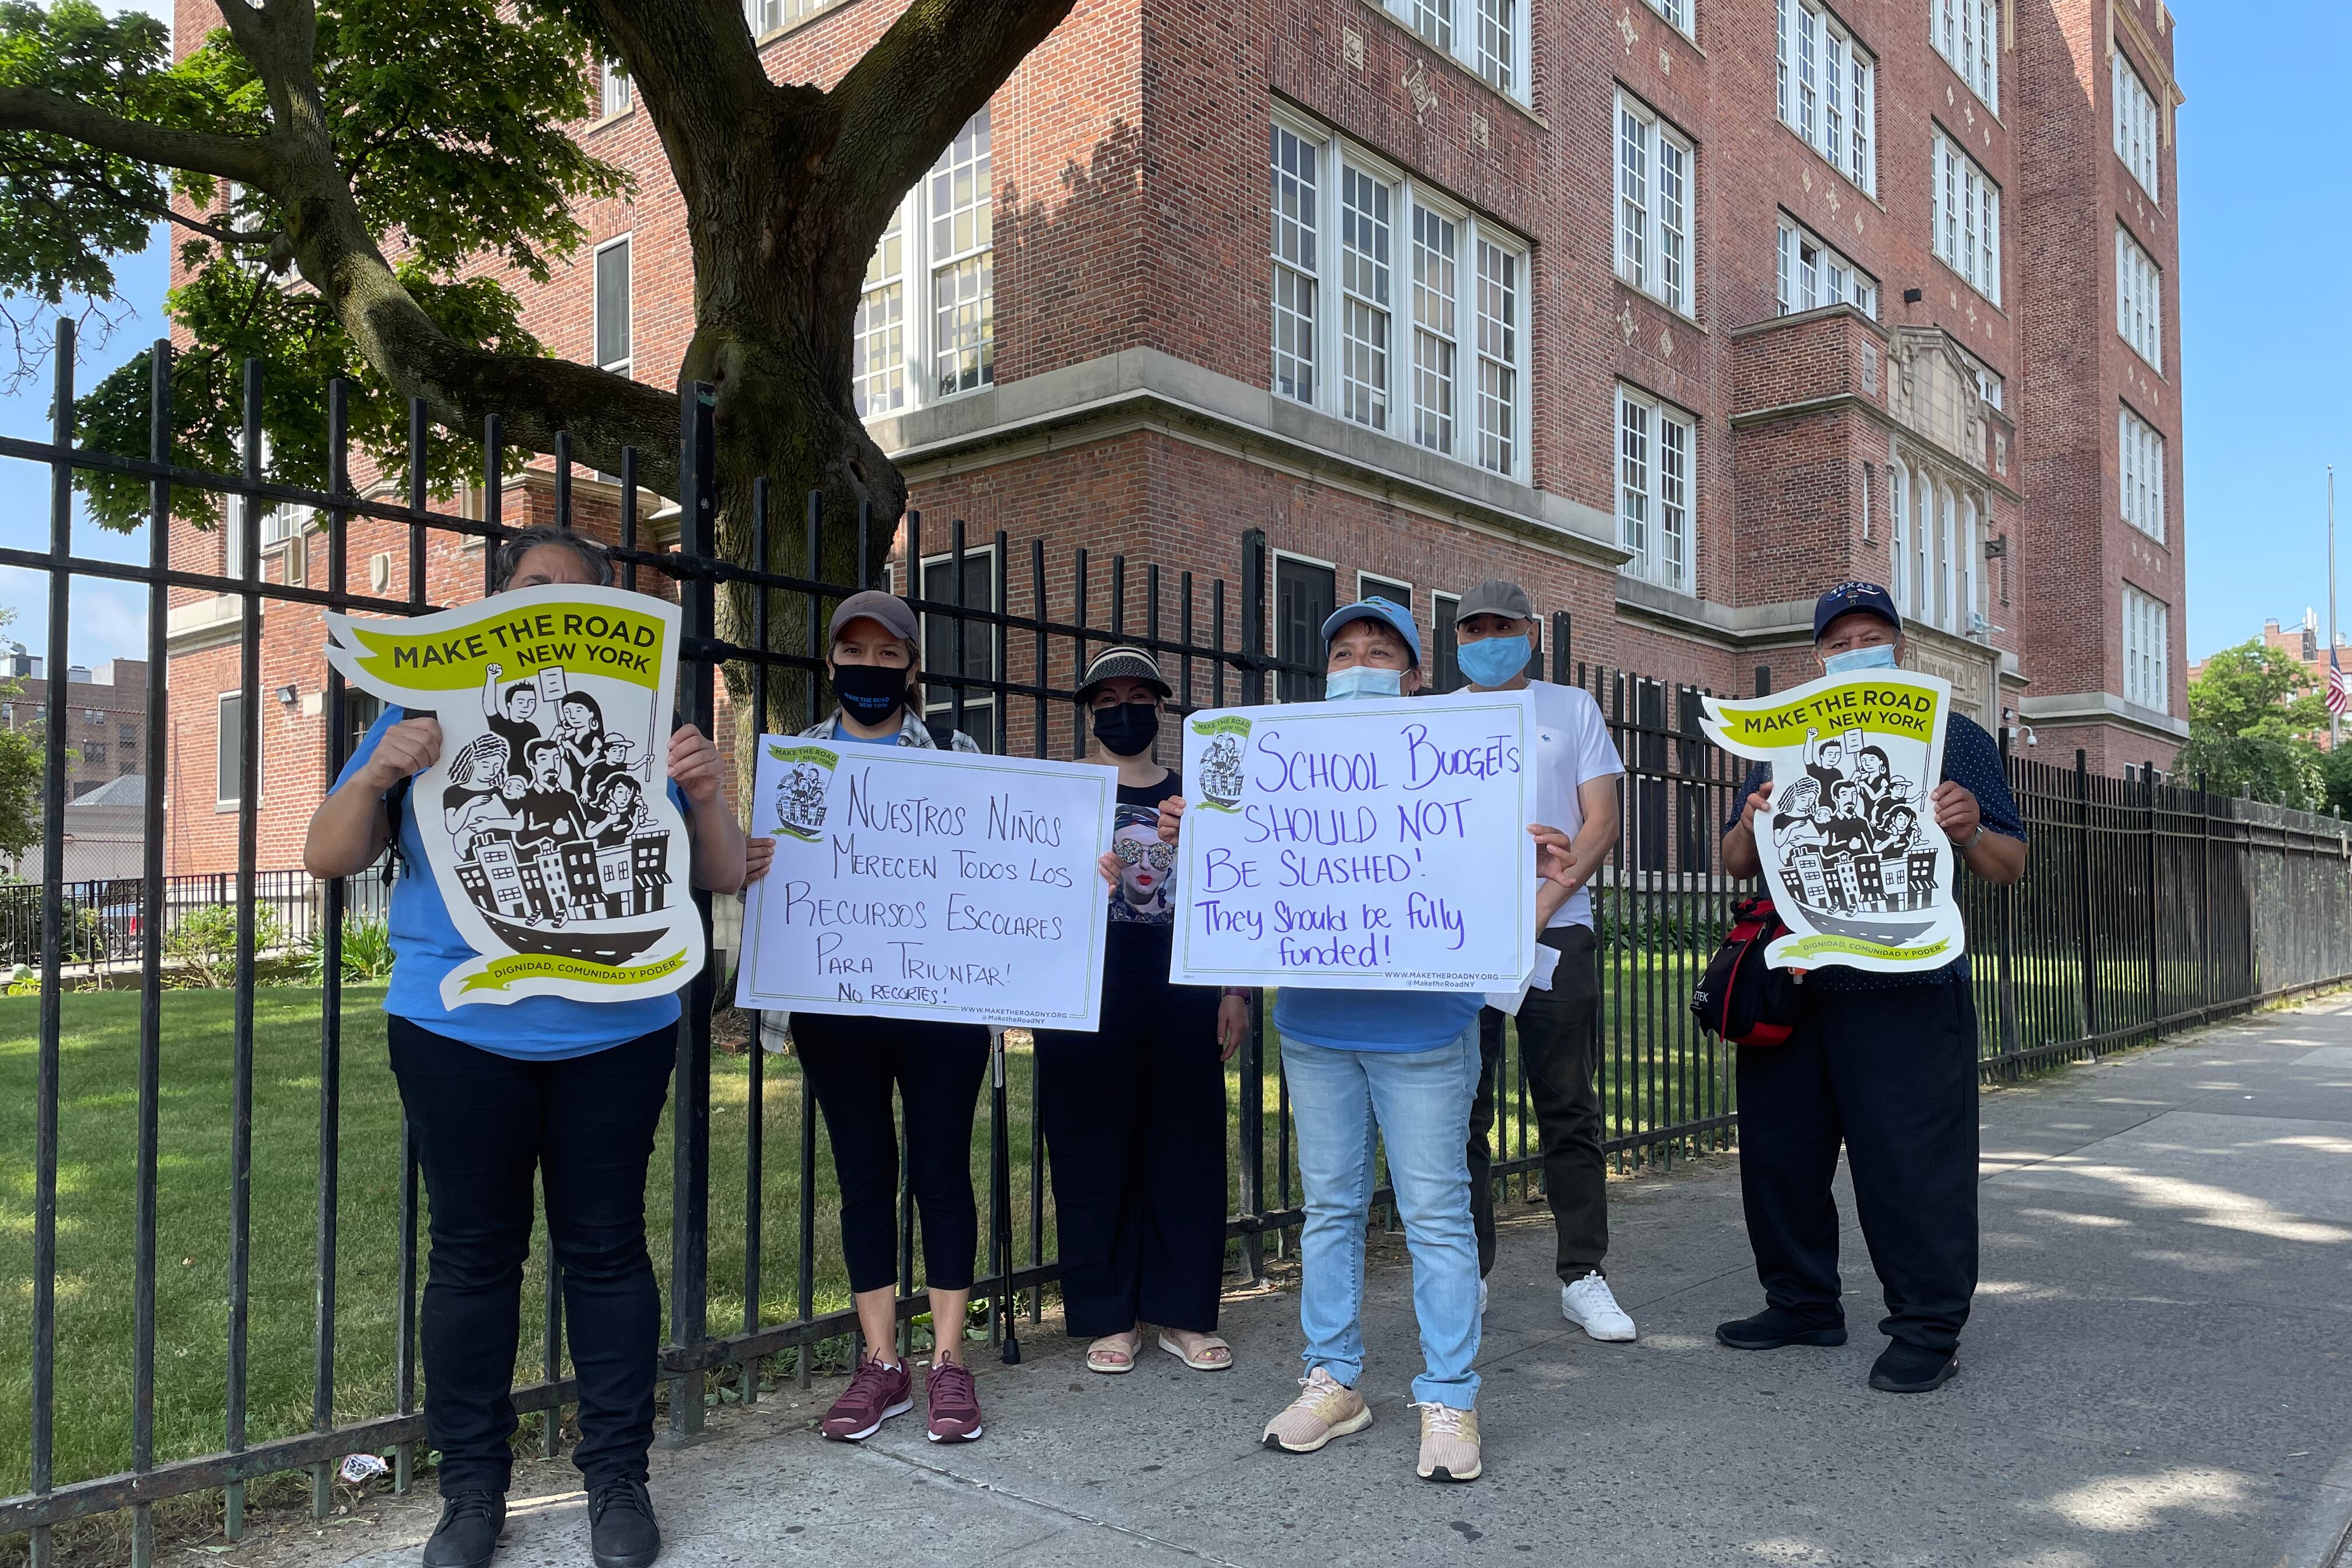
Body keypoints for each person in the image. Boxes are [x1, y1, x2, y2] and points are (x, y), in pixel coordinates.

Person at [301, 524, 754, 1568]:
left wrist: (706, 792)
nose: (546, 601)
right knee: (472, 1256)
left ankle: (618, 1480)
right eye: (529, 585)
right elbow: (327, 853)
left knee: (604, 1248)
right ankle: (471, 1491)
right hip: (456, 1026)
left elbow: (723, 872)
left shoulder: (654, 721)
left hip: (618, 1027)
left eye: (572, 591)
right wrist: (380, 774)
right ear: (498, 597)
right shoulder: (418, 713)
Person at [1156, 597, 1583, 1485]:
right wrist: (1195, 835)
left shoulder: (1460, 764)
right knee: (1332, 1211)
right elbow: (1245, 872)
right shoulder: (1287, 760)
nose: (1359, 661)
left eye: (1380, 650)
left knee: (1435, 1216)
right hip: (1314, 1026)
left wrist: (1529, 862)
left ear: (1415, 674)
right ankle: (1333, 1378)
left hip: (1426, 1030)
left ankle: (1452, 1393)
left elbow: (1477, 873)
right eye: (1344, 650)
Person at [1716, 580, 2027, 1395]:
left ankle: (1928, 1327)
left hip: (1910, 986)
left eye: (1871, 636)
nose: (1856, 650)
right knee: (1781, 1159)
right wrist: (1751, 820)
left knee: (1912, 1166)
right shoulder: (1788, 737)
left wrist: (1970, 827)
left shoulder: (1954, 737)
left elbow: (2011, 866)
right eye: (1840, 640)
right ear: (1817, 656)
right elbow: (1734, 862)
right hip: (1802, 983)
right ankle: (1802, 1304)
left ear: (1900, 647)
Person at [789, 590, 994, 1447]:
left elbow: (1001, 862)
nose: (869, 668)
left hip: (941, 1004)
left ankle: (948, 1358)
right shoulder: (795, 761)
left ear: (912, 668)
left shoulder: (958, 752)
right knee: (864, 1176)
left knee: (942, 1173)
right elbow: (768, 881)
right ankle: (881, 1364)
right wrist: (753, 860)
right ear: (830, 661)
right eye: (854, 652)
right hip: (836, 1005)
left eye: (887, 655)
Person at [1034, 646, 1250, 1377]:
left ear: (1161, 708)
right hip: (1082, 990)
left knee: (1185, 1148)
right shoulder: (1055, 797)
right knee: (1091, 1149)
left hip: (1182, 990)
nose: (1123, 711)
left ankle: (1184, 1314)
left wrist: (1236, 992)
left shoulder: (1198, 801)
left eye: (1139, 698)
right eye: (1108, 700)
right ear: (1089, 712)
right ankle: (1108, 1314)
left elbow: (1239, 897)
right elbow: (1016, 899)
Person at [1449, 582, 1636, 1342]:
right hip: (1460, 937)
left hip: (1559, 931)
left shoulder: (1571, 709)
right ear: (1457, 639)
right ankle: (1468, 1274)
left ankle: (1583, 1274)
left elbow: (1603, 820)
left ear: (1530, 632)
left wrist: (1544, 901)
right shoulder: (1436, 716)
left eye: (1504, 625)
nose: (1490, 637)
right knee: (1463, 1109)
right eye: (1475, 628)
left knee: (1567, 1105)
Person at [481, 665, 543, 780]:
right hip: (503, 777)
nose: (526, 706)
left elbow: (540, 752)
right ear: (509, 704)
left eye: (531, 702)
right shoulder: (501, 725)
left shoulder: (532, 728)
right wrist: (491, 678)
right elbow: (489, 706)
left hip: (528, 779)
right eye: (521, 701)